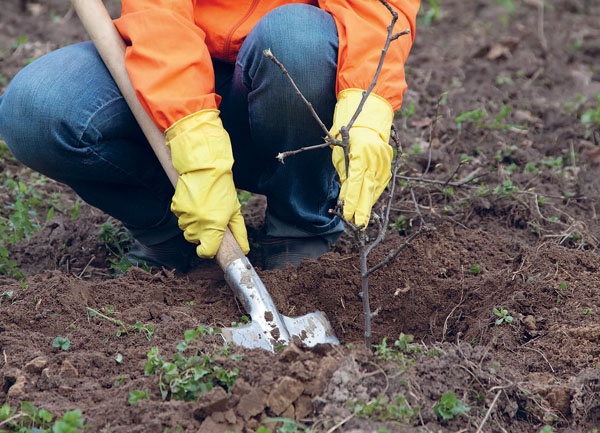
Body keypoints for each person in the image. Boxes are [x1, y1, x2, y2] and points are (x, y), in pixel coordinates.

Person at [0, 0, 420, 272]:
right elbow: (161, 20)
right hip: (173, 66)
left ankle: (300, 229)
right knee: (36, 107)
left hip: (288, 79)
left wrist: (367, 97)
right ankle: (174, 235)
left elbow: (373, 9)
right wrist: (193, 138)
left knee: (297, 39)